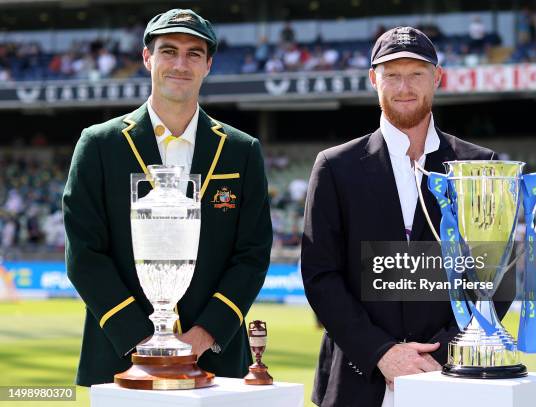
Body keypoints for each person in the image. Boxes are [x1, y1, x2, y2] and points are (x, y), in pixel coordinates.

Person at [301, 27, 512, 406]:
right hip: (356, 377)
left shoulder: (481, 166)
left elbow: (498, 277)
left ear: (437, 77)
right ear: (373, 79)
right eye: (392, 75)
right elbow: (320, 276)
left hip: (449, 375)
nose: (404, 87)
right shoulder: (335, 166)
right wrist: (381, 351)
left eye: (416, 73)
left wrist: (444, 351)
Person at [63, 9, 272, 386]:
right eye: (168, 50)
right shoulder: (99, 144)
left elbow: (253, 254)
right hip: (122, 355)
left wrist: (202, 336)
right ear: (147, 58)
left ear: (208, 65)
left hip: (213, 358)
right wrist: (144, 341)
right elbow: (84, 254)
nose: (180, 63)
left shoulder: (242, 150)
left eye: (194, 53)